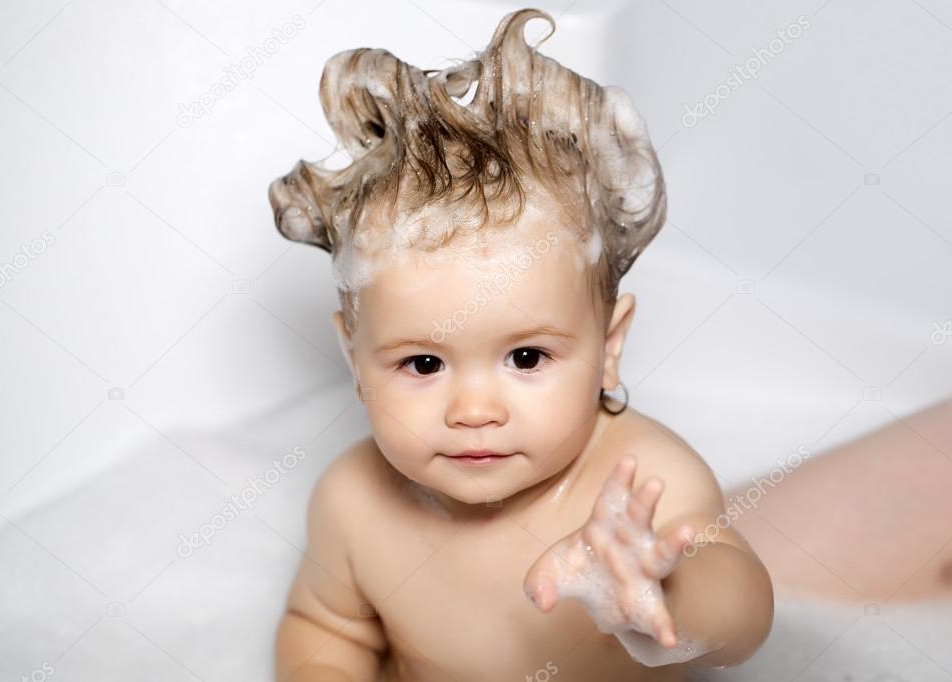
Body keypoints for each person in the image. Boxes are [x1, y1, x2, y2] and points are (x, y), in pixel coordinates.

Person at [267, 8, 773, 680]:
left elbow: (744, 617)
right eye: (422, 363)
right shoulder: (353, 502)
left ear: (609, 346)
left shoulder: (642, 483)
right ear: (354, 360)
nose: (473, 410)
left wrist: (662, 598)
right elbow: (323, 628)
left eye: (526, 357)